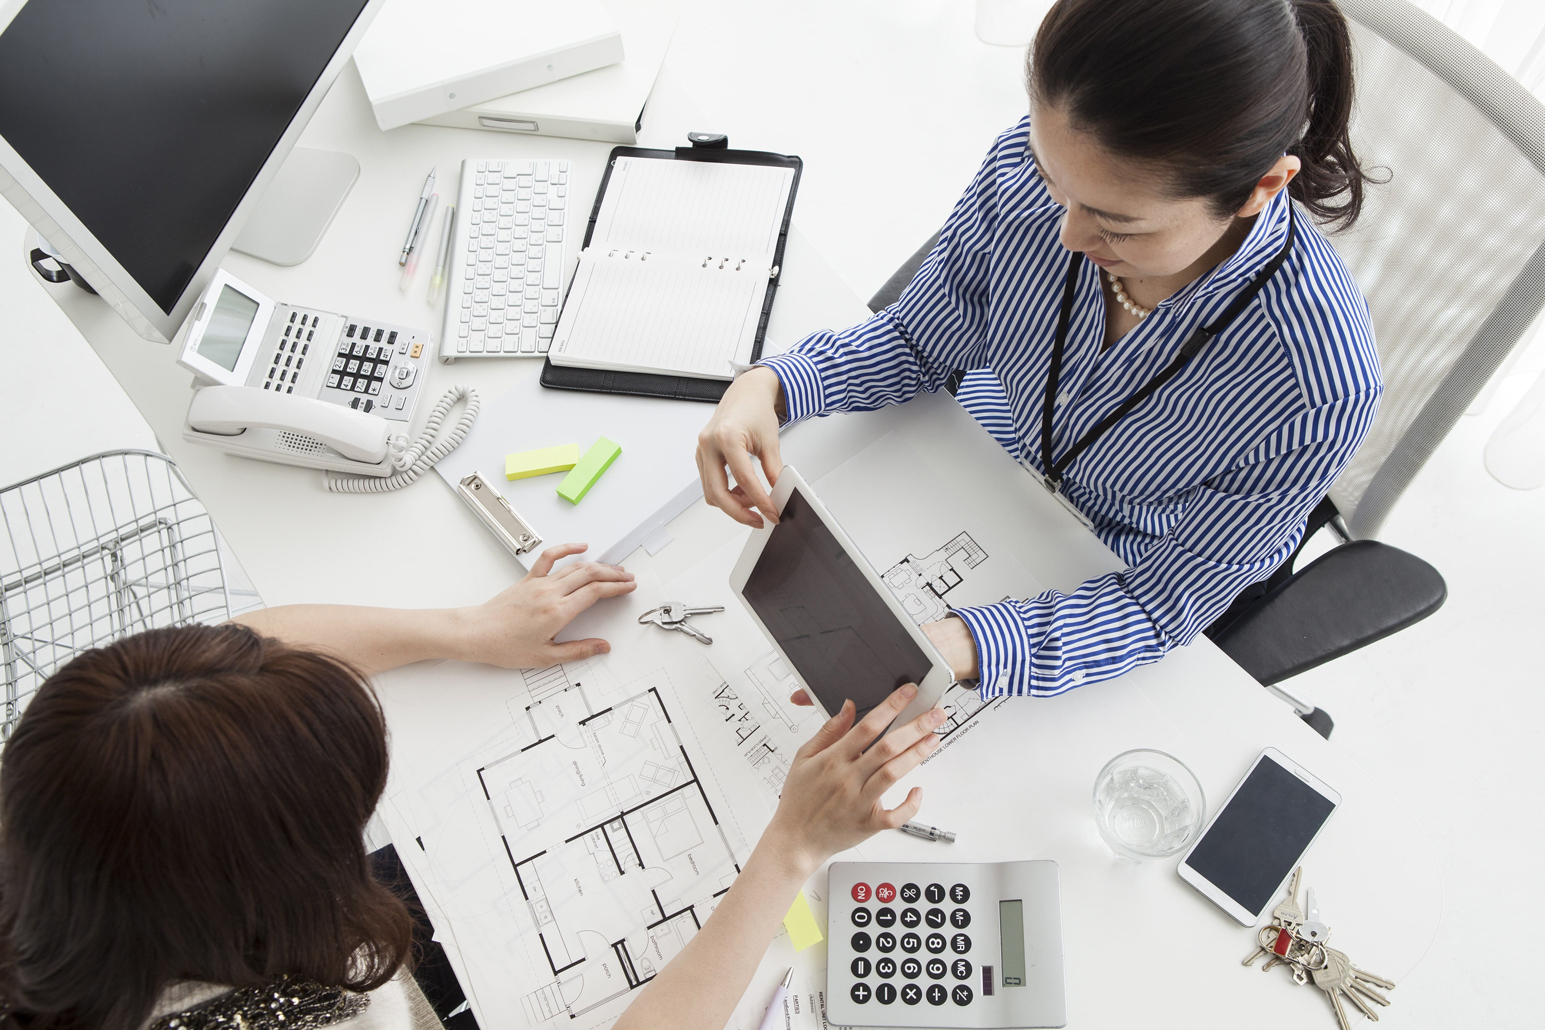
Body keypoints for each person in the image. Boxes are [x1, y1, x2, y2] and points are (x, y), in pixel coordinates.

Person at [698, 0, 1383, 697]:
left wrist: (961, 644)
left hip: (1101, 563)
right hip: (963, 462)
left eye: (1117, 225)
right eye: (1054, 182)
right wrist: (772, 385)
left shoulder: (1317, 387)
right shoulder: (1029, 169)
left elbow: (1159, 604)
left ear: (1261, 188)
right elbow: (918, 339)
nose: (1066, 236)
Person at [0, 544, 945, 1030]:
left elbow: (252, 645)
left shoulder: (59, 801)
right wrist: (791, 848)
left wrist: (463, 629)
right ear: (276, 884)